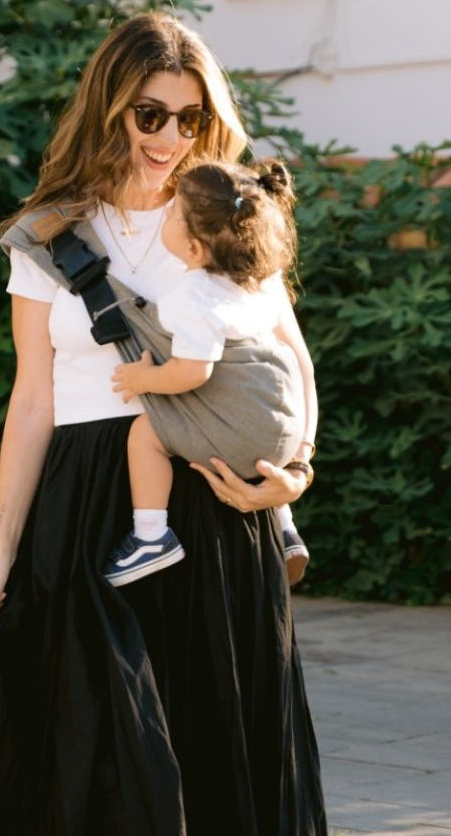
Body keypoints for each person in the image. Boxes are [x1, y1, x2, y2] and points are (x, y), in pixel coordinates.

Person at [0, 11, 344, 836]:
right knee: (103, 757)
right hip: (83, 511)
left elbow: (291, 368)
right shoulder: (51, 232)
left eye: (191, 118)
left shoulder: (230, 218)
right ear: (111, 102)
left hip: (221, 518)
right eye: (150, 112)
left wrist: (296, 476)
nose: (169, 137)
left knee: (215, 767)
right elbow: (33, 400)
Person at [102, 158, 318, 587]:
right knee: (257, 426)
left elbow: (192, 372)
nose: (165, 213)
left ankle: (150, 536)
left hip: (240, 436)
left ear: (195, 248)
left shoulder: (192, 296)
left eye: (173, 213)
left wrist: (143, 380)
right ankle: (285, 524)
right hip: (284, 432)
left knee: (145, 435)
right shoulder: (255, 281)